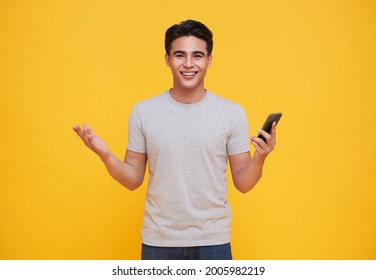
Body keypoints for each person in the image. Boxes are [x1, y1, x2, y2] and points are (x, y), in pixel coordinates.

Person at [73, 19, 277, 260]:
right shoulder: (144, 112)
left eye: (197, 55)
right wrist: (105, 155)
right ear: (167, 59)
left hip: (213, 241)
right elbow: (132, 180)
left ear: (209, 60)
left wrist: (261, 157)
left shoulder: (231, 113)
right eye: (180, 55)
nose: (188, 64)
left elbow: (243, 182)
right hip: (159, 241)